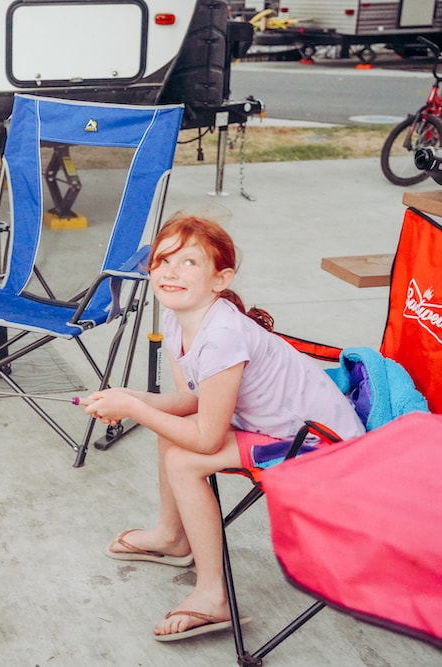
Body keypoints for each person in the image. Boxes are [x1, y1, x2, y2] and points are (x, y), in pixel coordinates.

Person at [82, 212, 365, 642]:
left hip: (320, 444)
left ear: (220, 279)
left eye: (189, 263)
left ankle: (214, 596)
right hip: (274, 427)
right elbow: (192, 401)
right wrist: (130, 398)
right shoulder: (178, 316)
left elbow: (207, 438)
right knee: (171, 428)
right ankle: (173, 538)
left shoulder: (222, 336)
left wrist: (134, 409)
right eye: (161, 261)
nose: (171, 272)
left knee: (184, 460)